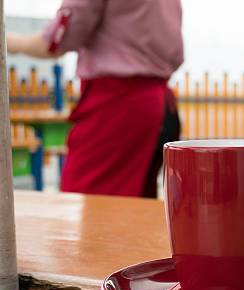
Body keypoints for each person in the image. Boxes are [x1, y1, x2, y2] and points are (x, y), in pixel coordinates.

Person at [8, 0, 184, 198]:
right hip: (160, 106)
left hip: (117, 108)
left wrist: (11, 42)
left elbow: (58, 39)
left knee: (87, 202)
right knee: (136, 208)